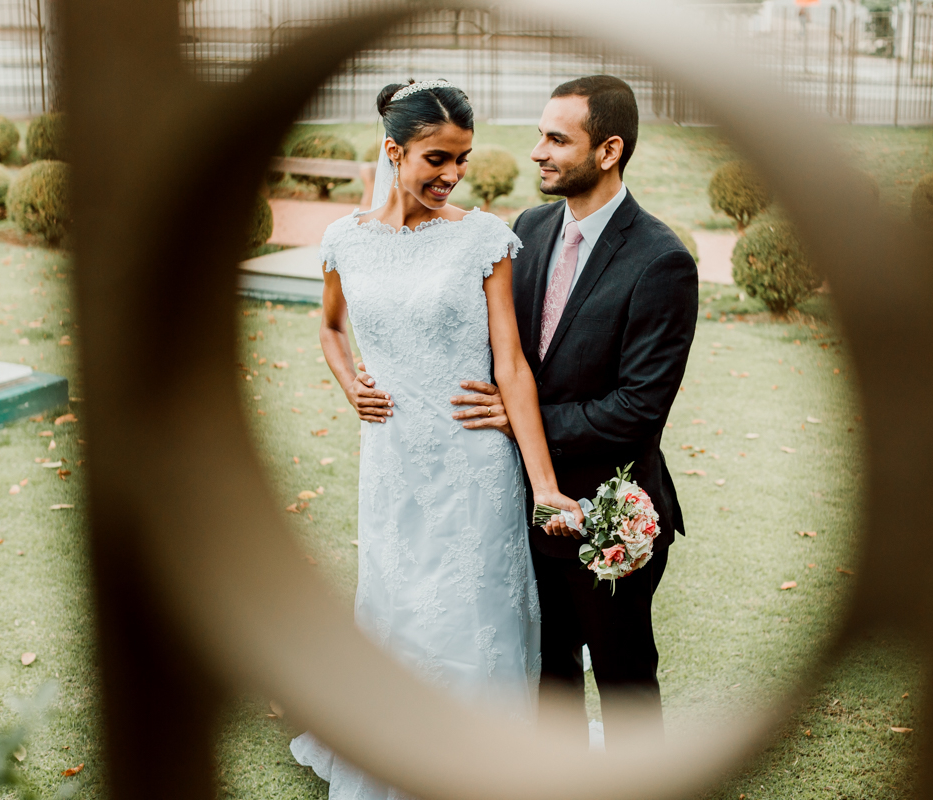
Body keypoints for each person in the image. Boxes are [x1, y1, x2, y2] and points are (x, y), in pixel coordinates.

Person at [289, 79, 583, 800]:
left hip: (474, 462)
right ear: (394, 151)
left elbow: (510, 362)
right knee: (400, 611)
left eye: (463, 159)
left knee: (472, 615)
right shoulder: (343, 242)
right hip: (391, 462)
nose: (452, 175)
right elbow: (330, 326)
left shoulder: (483, 238)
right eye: (436, 159)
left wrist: (543, 484)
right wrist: (348, 379)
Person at [450, 75, 699, 749]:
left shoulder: (662, 261)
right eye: (539, 134)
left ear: (609, 149)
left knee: (623, 682)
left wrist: (518, 418)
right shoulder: (527, 228)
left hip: (609, 515)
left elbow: (636, 411)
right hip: (524, 506)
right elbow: (498, 349)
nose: (537, 151)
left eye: (557, 138)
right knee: (545, 678)